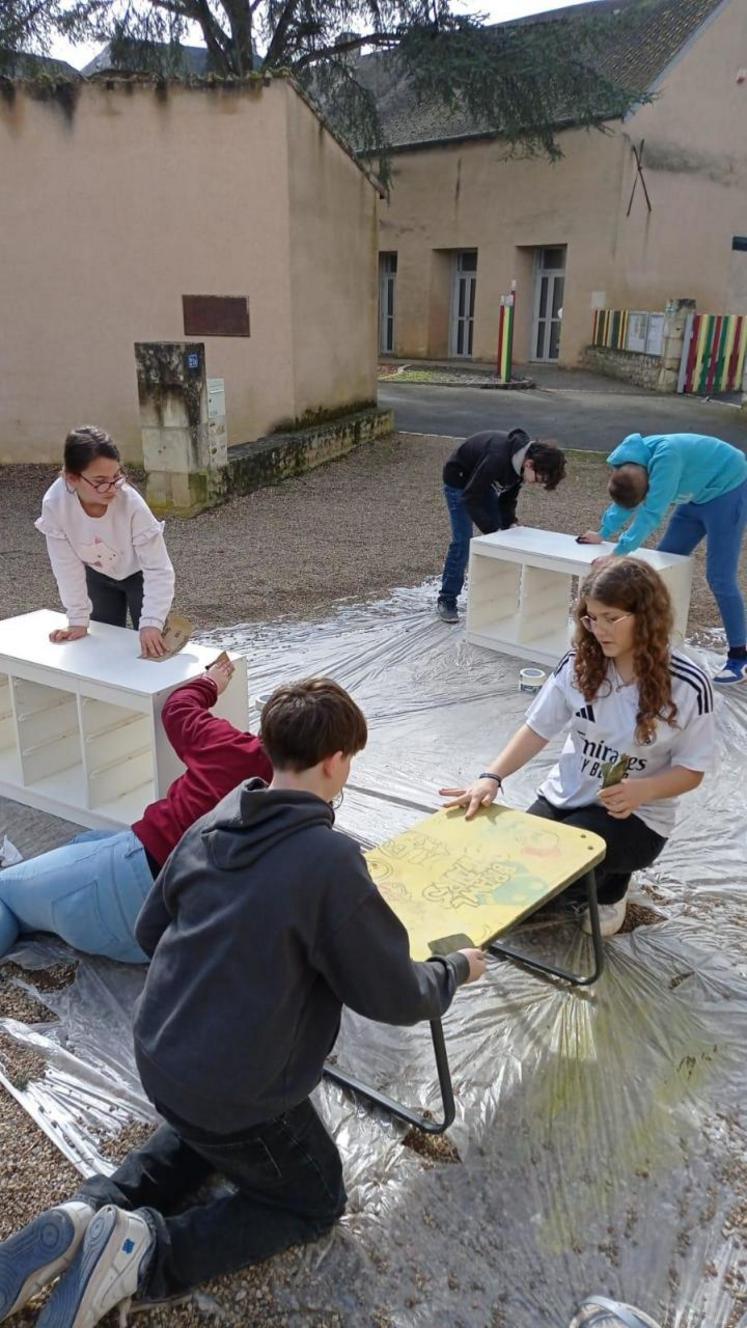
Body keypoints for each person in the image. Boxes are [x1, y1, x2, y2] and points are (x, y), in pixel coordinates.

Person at [0, 678, 484, 1326]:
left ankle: (91, 1209)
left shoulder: (212, 822)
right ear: (337, 761)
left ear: (269, 745)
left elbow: (151, 930)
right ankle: (146, 1256)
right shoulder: (331, 861)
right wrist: (452, 969)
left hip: (161, 1053)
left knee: (204, 1130)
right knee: (310, 1199)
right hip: (237, 1090)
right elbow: (393, 994)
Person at [440, 558, 716, 937]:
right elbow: (538, 727)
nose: (599, 630)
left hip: (636, 817)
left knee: (554, 869)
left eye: (611, 618)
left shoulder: (687, 682)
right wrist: (491, 776)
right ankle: (590, 878)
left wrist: (644, 790)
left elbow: (692, 770)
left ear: (647, 616)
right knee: (510, 869)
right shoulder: (580, 662)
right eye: (590, 618)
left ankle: (612, 887)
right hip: (566, 795)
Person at [0, 657, 271, 963]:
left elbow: (178, 707)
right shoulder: (311, 813)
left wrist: (211, 682)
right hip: (193, 935)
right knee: (89, 842)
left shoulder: (233, 748)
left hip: (131, 896)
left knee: (5, 893)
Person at [578, 431, 747, 685]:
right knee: (662, 566)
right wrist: (602, 532)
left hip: (728, 489)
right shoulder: (630, 464)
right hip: (697, 493)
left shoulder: (667, 460)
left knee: (720, 577)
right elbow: (627, 499)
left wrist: (618, 553)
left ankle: (739, 655)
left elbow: (651, 513)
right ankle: (651, 639)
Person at [36, 425, 175, 660]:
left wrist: (152, 622)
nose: (111, 488)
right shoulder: (55, 504)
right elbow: (66, 566)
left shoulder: (130, 502)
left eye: (116, 477)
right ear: (72, 478)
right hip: (98, 575)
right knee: (104, 646)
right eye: (100, 480)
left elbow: (158, 569)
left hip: (139, 574)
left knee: (153, 646)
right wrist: (77, 620)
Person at [437, 429, 566, 623]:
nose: (535, 484)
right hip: (459, 479)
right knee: (463, 541)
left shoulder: (521, 464)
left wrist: (509, 523)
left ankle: (496, 597)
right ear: (530, 464)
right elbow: (471, 497)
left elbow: (507, 498)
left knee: (500, 533)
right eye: (538, 479)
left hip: (480, 479)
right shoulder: (497, 459)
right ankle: (447, 599)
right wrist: (493, 531)